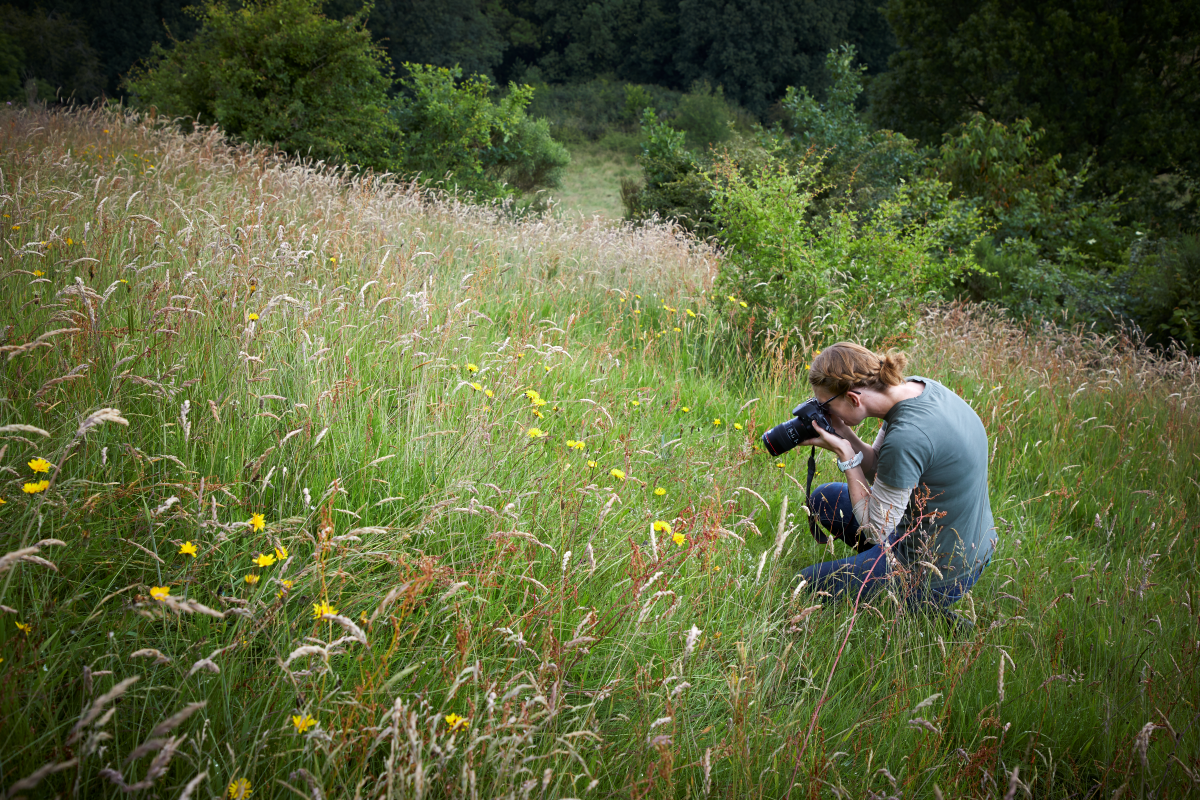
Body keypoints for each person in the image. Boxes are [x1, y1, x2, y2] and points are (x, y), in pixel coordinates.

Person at [796, 342, 996, 622]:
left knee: (805, 585)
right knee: (823, 499)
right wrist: (843, 433)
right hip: (968, 539)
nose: (824, 412)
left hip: (940, 568)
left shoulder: (908, 436)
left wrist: (846, 457)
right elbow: (881, 466)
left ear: (854, 398)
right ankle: (879, 570)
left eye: (826, 405)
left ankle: (929, 611)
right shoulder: (918, 389)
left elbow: (875, 531)